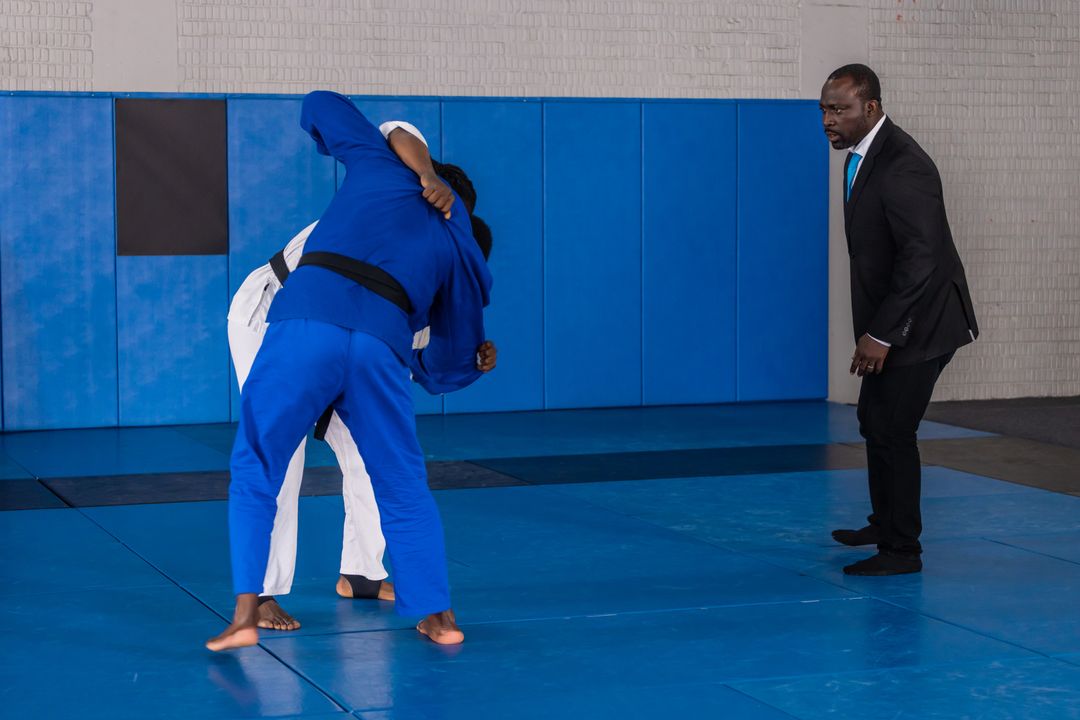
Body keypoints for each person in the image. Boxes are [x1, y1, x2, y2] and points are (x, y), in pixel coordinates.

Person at [207, 90, 494, 651]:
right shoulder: (452, 236)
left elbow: (321, 103)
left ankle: (343, 577)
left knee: (278, 458)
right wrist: (473, 360)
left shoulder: (383, 168)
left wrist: (464, 357)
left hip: (314, 323)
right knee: (387, 474)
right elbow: (443, 364)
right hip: (277, 310)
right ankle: (432, 614)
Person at [821, 64, 979, 576]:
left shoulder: (904, 164)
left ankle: (901, 550)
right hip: (894, 318)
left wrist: (882, 335)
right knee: (873, 420)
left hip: (923, 322)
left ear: (870, 107)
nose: (828, 120)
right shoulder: (864, 156)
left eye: (839, 109)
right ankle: (883, 521)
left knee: (893, 428)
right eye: (823, 109)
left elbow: (922, 258)